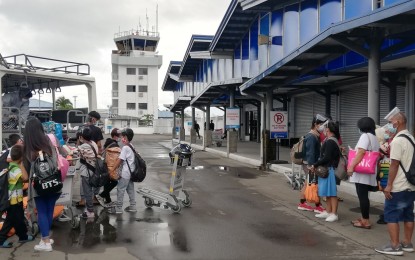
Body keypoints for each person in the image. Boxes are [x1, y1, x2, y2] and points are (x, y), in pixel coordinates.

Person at [375, 112, 415, 256]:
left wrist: (389, 185)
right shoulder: (411, 138)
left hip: (398, 185)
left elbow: (394, 164)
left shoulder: (398, 141)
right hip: (411, 185)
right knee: (408, 214)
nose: (389, 125)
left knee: (392, 215)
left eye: (391, 122)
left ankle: (395, 246)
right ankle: (407, 243)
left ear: (397, 123)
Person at [24, 117, 60, 252]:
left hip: (39, 184)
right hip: (54, 181)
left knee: (42, 212)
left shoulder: (28, 146)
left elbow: (28, 166)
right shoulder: (49, 140)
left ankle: (45, 241)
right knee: (49, 210)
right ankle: (46, 238)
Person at [347, 117, 380, 229]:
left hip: (362, 173)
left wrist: (351, 166)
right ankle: (363, 217)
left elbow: (361, 152)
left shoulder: (365, 136)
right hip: (369, 171)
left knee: (363, 196)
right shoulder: (374, 137)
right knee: (364, 196)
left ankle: (365, 221)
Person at [0, 145, 34, 248]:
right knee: (10, 220)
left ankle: (22, 236)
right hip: (13, 200)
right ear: (21, 157)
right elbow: (25, 177)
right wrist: (22, 163)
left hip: (15, 199)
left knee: (19, 219)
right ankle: (1, 239)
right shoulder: (15, 169)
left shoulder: (9, 166)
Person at [311, 121, 341, 222]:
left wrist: (315, 164)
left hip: (329, 169)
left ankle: (334, 213)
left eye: (325, 127)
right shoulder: (330, 140)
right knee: (328, 192)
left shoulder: (330, 141)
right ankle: (328, 211)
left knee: (332, 193)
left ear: (328, 130)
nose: (323, 129)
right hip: (328, 169)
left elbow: (326, 157)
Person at [297, 114, 327, 213]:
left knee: (310, 183)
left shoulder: (314, 135)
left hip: (310, 164)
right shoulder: (311, 136)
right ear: (316, 124)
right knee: (312, 184)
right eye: (322, 124)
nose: (323, 127)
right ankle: (315, 205)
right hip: (310, 164)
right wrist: (312, 166)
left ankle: (305, 203)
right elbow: (310, 153)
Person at [76, 111, 104, 207]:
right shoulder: (97, 130)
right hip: (93, 159)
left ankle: (82, 200)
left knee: (84, 179)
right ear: (93, 119)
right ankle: (95, 198)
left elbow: (77, 144)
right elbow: (99, 145)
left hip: (83, 159)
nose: (96, 122)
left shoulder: (81, 128)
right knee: (96, 177)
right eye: (96, 120)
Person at [107, 128, 137, 214]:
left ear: (126, 137)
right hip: (131, 173)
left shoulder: (125, 148)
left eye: (123, 136)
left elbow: (120, 160)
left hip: (125, 173)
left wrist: (112, 170)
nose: (122, 138)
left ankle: (118, 208)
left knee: (120, 189)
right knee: (130, 190)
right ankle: (133, 206)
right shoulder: (131, 146)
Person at [96, 128, 121, 206]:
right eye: (118, 136)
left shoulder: (108, 142)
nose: (120, 137)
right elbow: (114, 159)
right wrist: (114, 168)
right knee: (114, 181)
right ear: (114, 136)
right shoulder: (114, 145)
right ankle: (101, 195)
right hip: (109, 165)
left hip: (104, 164)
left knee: (107, 182)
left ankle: (108, 200)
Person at [78, 127, 99, 219]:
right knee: (90, 191)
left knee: (87, 192)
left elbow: (75, 153)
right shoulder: (93, 143)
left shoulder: (82, 147)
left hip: (86, 172)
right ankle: (89, 209)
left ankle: (90, 212)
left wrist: (79, 141)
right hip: (94, 170)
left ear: (82, 136)